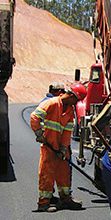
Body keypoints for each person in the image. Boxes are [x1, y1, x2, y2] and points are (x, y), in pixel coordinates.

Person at [30, 83, 87, 212]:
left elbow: (67, 131)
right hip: (49, 146)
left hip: (60, 147)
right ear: (70, 95)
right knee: (47, 173)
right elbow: (35, 117)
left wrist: (63, 148)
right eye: (76, 100)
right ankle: (43, 203)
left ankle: (65, 199)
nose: (75, 103)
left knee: (64, 172)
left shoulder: (70, 110)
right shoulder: (51, 103)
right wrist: (39, 133)